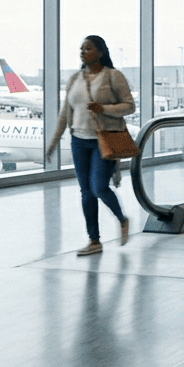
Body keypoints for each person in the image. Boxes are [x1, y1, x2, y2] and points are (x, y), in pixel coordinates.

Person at [45, 35, 136, 256]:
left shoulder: (112, 76)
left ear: (100, 52)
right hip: (79, 141)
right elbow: (64, 114)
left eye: (88, 48)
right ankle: (94, 240)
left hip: (102, 140)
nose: (83, 52)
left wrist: (103, 109)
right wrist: (54, 141)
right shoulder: (75, 79)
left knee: (98, 187)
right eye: (81, 48)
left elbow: (129, 106)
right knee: (86, 192)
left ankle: (122, 219)